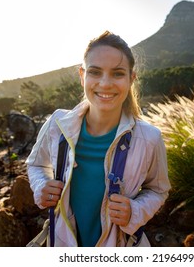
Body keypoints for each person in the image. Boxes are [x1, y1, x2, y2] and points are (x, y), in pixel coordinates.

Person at [26, 31, 171, 247]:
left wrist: (135, 210)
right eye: (95, 72)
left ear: (132, 78)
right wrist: (41, 186)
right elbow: (36, 164)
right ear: (82, 75)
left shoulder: (149, 138)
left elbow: (158, 190)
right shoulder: (57, 124)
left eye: (118, 74)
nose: (105, 83)